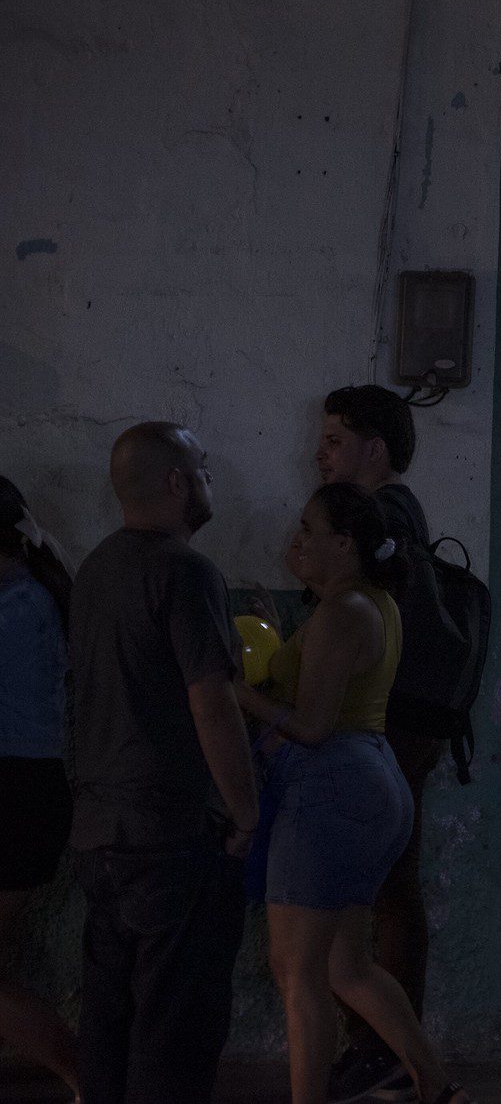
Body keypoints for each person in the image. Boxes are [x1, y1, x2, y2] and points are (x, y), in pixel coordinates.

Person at [235, 483, 469, 1104]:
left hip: (330, 788)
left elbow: (311, 726)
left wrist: (234, 693)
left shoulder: (343, 613)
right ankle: (436, 1084)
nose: (297, 540)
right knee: (346, 965)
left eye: (310, 529)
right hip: (366, 780)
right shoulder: (368, 603)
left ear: (345, 545)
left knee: (296, 969)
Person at [69, 422, 260, 1104]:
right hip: (169, 834)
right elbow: (213, 702)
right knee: (174, 1030)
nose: (210, 480)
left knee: (109, 1021)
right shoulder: (185, 571)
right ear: (177, 482)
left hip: (100, 830)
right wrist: (243, 809)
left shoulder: (94, 569)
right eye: (204, 468)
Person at [316, 384, 441, 1101]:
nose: (320, 453)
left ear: (375, 448)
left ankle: (385, 1048)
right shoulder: (400, 514)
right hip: (404, 723)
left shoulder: (383, 516)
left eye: (334, 439)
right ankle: (389, 1046)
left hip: (388, 723)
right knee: (390, 888)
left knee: (378, 893)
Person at [0, 477, 80, 1099]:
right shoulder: (35, 593)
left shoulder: (19, 608)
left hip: (15, 795)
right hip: (27, 792)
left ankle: (90, 1078)